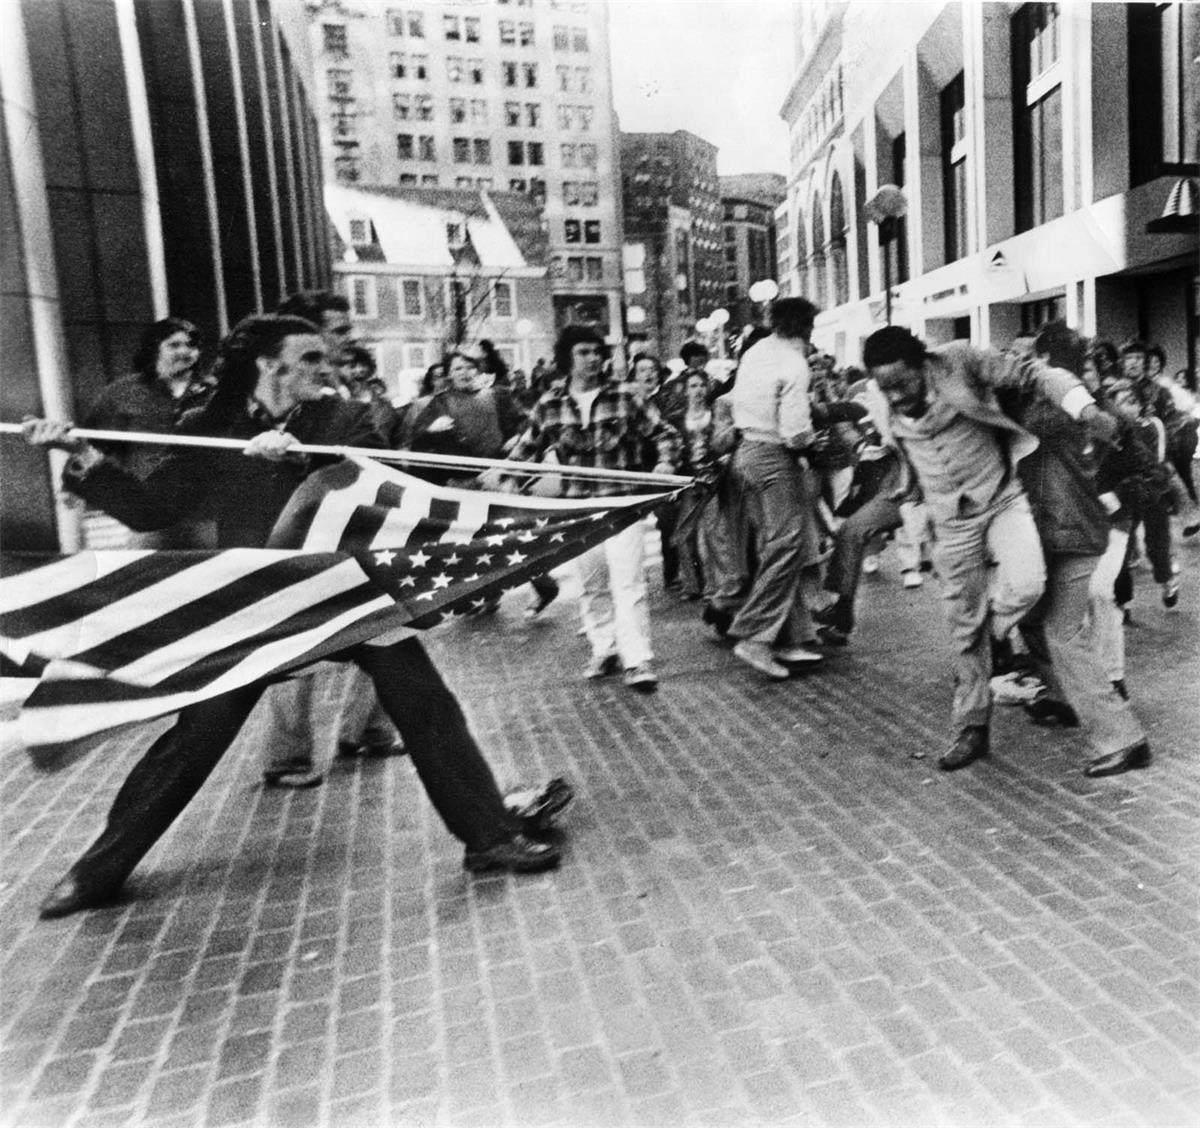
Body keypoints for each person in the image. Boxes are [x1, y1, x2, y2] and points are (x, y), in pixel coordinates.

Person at [22, 315, 561, 919]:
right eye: (310, 359)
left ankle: (490, 838)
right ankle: (98, 871)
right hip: (262, 602)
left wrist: (301, 464)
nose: (326, 369)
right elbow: (152, 509)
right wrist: (81, 454)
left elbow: (381, 486)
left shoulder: (344, 419)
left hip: (343, 592)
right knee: (197, 735)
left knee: (425, 703)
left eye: (325, 359)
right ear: (268, 364)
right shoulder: (208, 425)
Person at [861, 325, 1115, 770]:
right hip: (949, 519)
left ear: (923, 364)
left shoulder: (959, 361)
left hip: (1000, 498)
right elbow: (893, 446)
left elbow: (1034, 373)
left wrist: (1083, 406)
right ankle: (972, 728)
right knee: (963, 626)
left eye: (903, 383)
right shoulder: (882, 400)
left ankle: (991, 633)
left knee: (1027, 585)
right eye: (887, 388)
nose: (896, 395)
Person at [498, 325, 681, 691]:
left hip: (621, 504)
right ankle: (603, 647)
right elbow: (526, 449)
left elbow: (665, 433)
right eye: (583, 352)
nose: (593, 358)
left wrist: (665, 461)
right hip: (579, 510)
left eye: (597, 351)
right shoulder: (550, 403)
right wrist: (508, 478)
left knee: (628, 582)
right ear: (567, 358)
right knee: (592, 584)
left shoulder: (625, 396)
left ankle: (637, 659)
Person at [1008, 323, 1151, 777]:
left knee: (1063, 632)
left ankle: (1122, 738)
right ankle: (1067, 696)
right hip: (1062, 531)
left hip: (1071, 532)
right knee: (1032, 619)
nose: (1019, 363)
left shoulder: (1055, 407)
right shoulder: (1072, 403)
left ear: (1048, 360)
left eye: (1029, 355)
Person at [724, 297, 826, 680]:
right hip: (773, 455)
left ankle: (790, 637)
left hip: (745, 453)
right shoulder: (795, 363)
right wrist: (812, 447)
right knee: (787, 547)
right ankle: (756, 636)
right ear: (807, 327)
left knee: (778, 546)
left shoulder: (756, 352)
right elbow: (796, 431)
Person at [81, 316, 216, 548]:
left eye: (191, 345)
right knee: (148, 568)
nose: (184, 351)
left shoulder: (215, 392)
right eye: (174, 345)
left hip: (206, 513)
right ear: (155, 348)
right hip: (149, 509)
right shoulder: (122, 393)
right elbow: (93, 444)